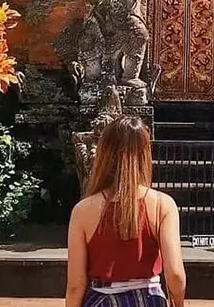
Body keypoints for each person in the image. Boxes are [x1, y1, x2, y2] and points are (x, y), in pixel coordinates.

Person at [66, 115, 187, 307]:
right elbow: (175, 274)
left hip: (102, 299)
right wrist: (178, 303)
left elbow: (75, 285)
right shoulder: (163, 205)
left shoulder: (83, 210)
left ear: (104, 153)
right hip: (150, 299)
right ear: (145, 153)